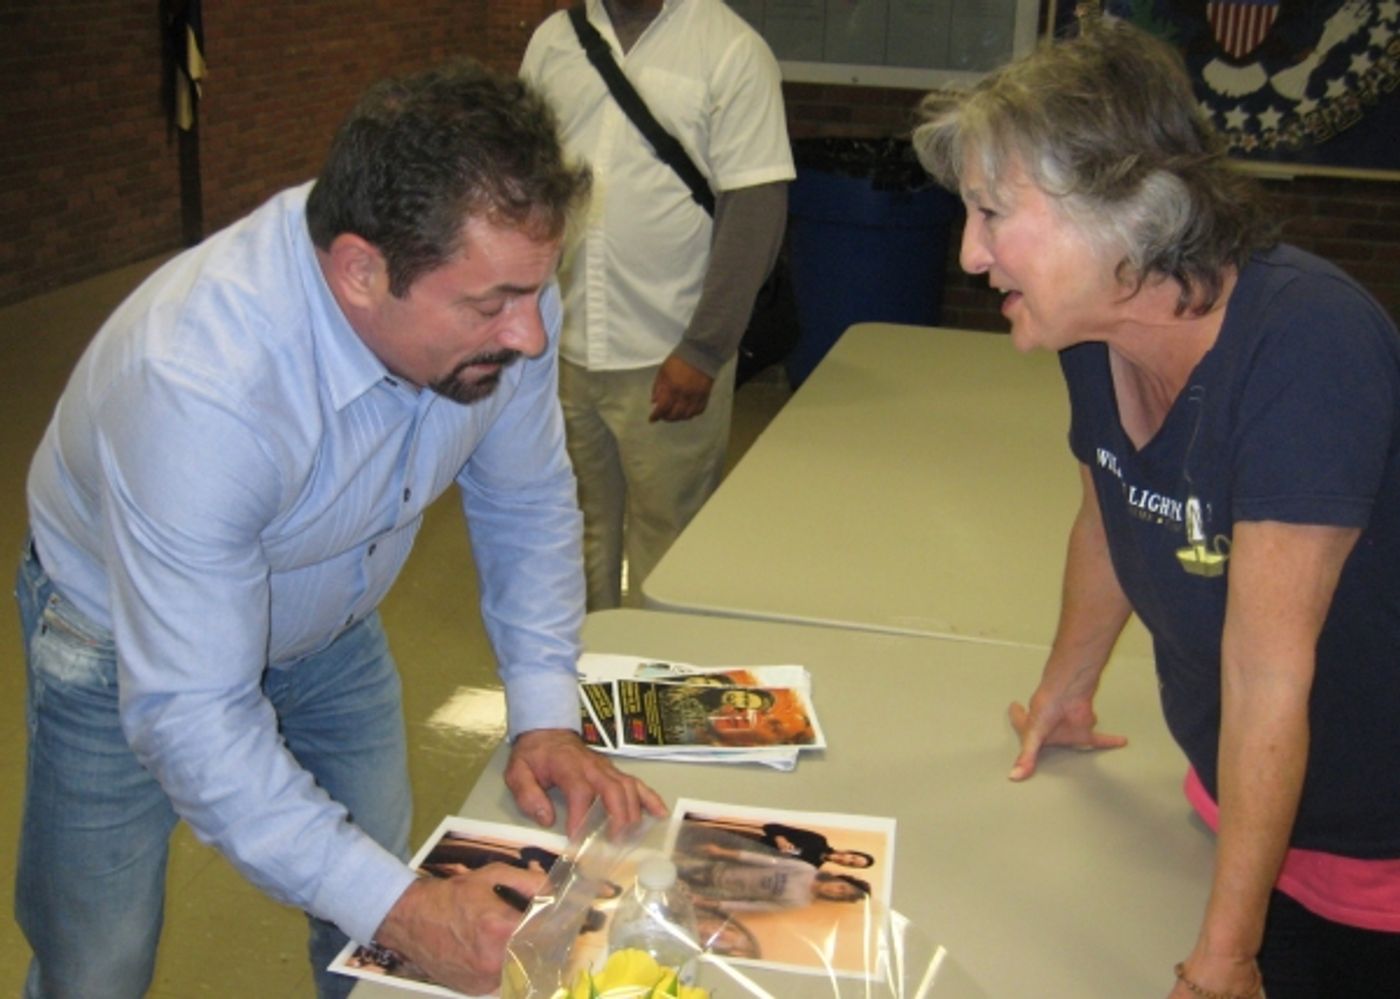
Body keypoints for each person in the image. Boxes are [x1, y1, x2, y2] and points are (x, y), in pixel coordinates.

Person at [15, 59, 666, 999]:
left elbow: (524, 500)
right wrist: (407, 911)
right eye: (492, 306)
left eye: (538, 292)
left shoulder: (506, 287)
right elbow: (196, 714)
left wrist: (545, 717)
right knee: (99, 961)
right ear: (361, 270)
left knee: (373, 925)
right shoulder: (198, 385)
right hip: (120, 636)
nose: (530, 336)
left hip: (331, 618)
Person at [913, 16, 1400, 999]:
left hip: (1368, 849)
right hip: (1236, 798)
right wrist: (1066, 683)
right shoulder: (1093, 333)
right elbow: (1111, 508)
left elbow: (1267, 672)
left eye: (991, 213)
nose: (969, 254)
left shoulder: (1305, 348)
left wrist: (1224, 955)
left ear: (1127, 215)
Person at [520, 0, 795, 609]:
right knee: (574, 531)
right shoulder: (553, 43)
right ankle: (587, 676)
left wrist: (703, 350)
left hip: (671, 352)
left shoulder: (729, 48)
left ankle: (656, 685)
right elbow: (523, 181)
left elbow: (754, 212)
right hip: (562, 344)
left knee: (668, 539)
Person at [681, 816, 875, 869]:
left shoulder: (813, 867)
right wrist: (781, 840)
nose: (846, 860)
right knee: (697, 830)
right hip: (752, 837)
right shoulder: (818, 840)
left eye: (851, 865)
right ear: (850, 851)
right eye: (852, 857)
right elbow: (773, 826)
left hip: (746, 856)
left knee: (695, 849)